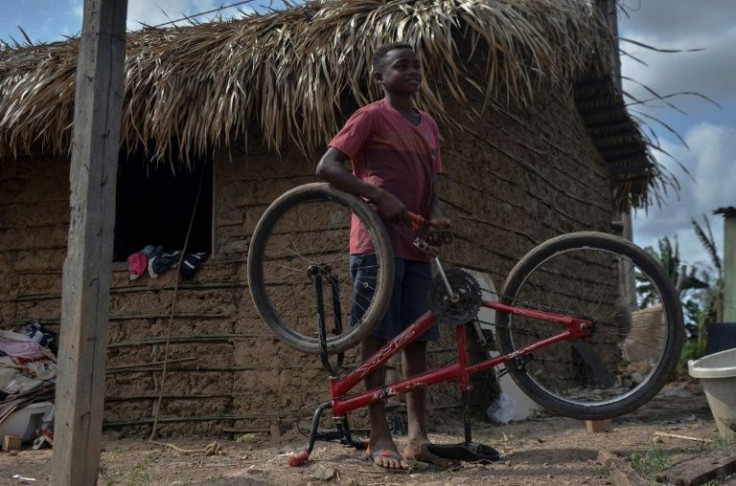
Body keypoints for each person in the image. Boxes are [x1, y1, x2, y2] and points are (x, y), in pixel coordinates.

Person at [316, 43, 451, 470]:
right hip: (377, 246)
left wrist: (435, 216)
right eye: (401, 66)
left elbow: (433, 185)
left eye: (416, 65)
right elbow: (328, 167)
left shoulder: (428, 125)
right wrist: (378, 196)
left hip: (417, 249)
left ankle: (418, 437)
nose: (412, 71)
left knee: (417, 340)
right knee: (376, 340)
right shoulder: (370, 116)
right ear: (380, 78)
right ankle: (379, 437)